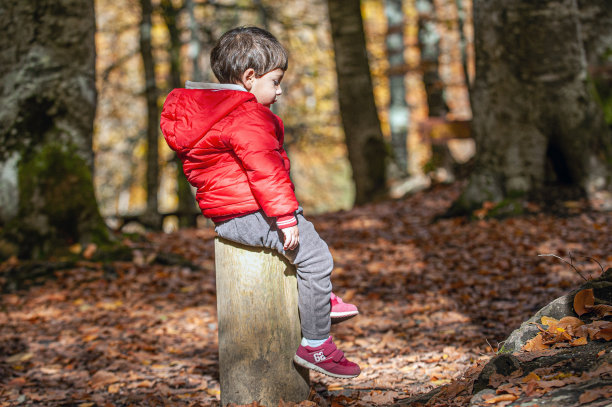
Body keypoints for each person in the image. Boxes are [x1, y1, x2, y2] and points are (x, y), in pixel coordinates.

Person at [160, 26, 360, 379]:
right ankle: (316, 345)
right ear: (250, 78)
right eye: (276, 81)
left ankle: (317, 298)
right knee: (316, 257)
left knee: (309, 258)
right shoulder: (246, 115)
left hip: (229, 214)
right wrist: (285, 216)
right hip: (252, 210)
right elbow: (265, 169)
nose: (280, 91)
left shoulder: (210, 112)